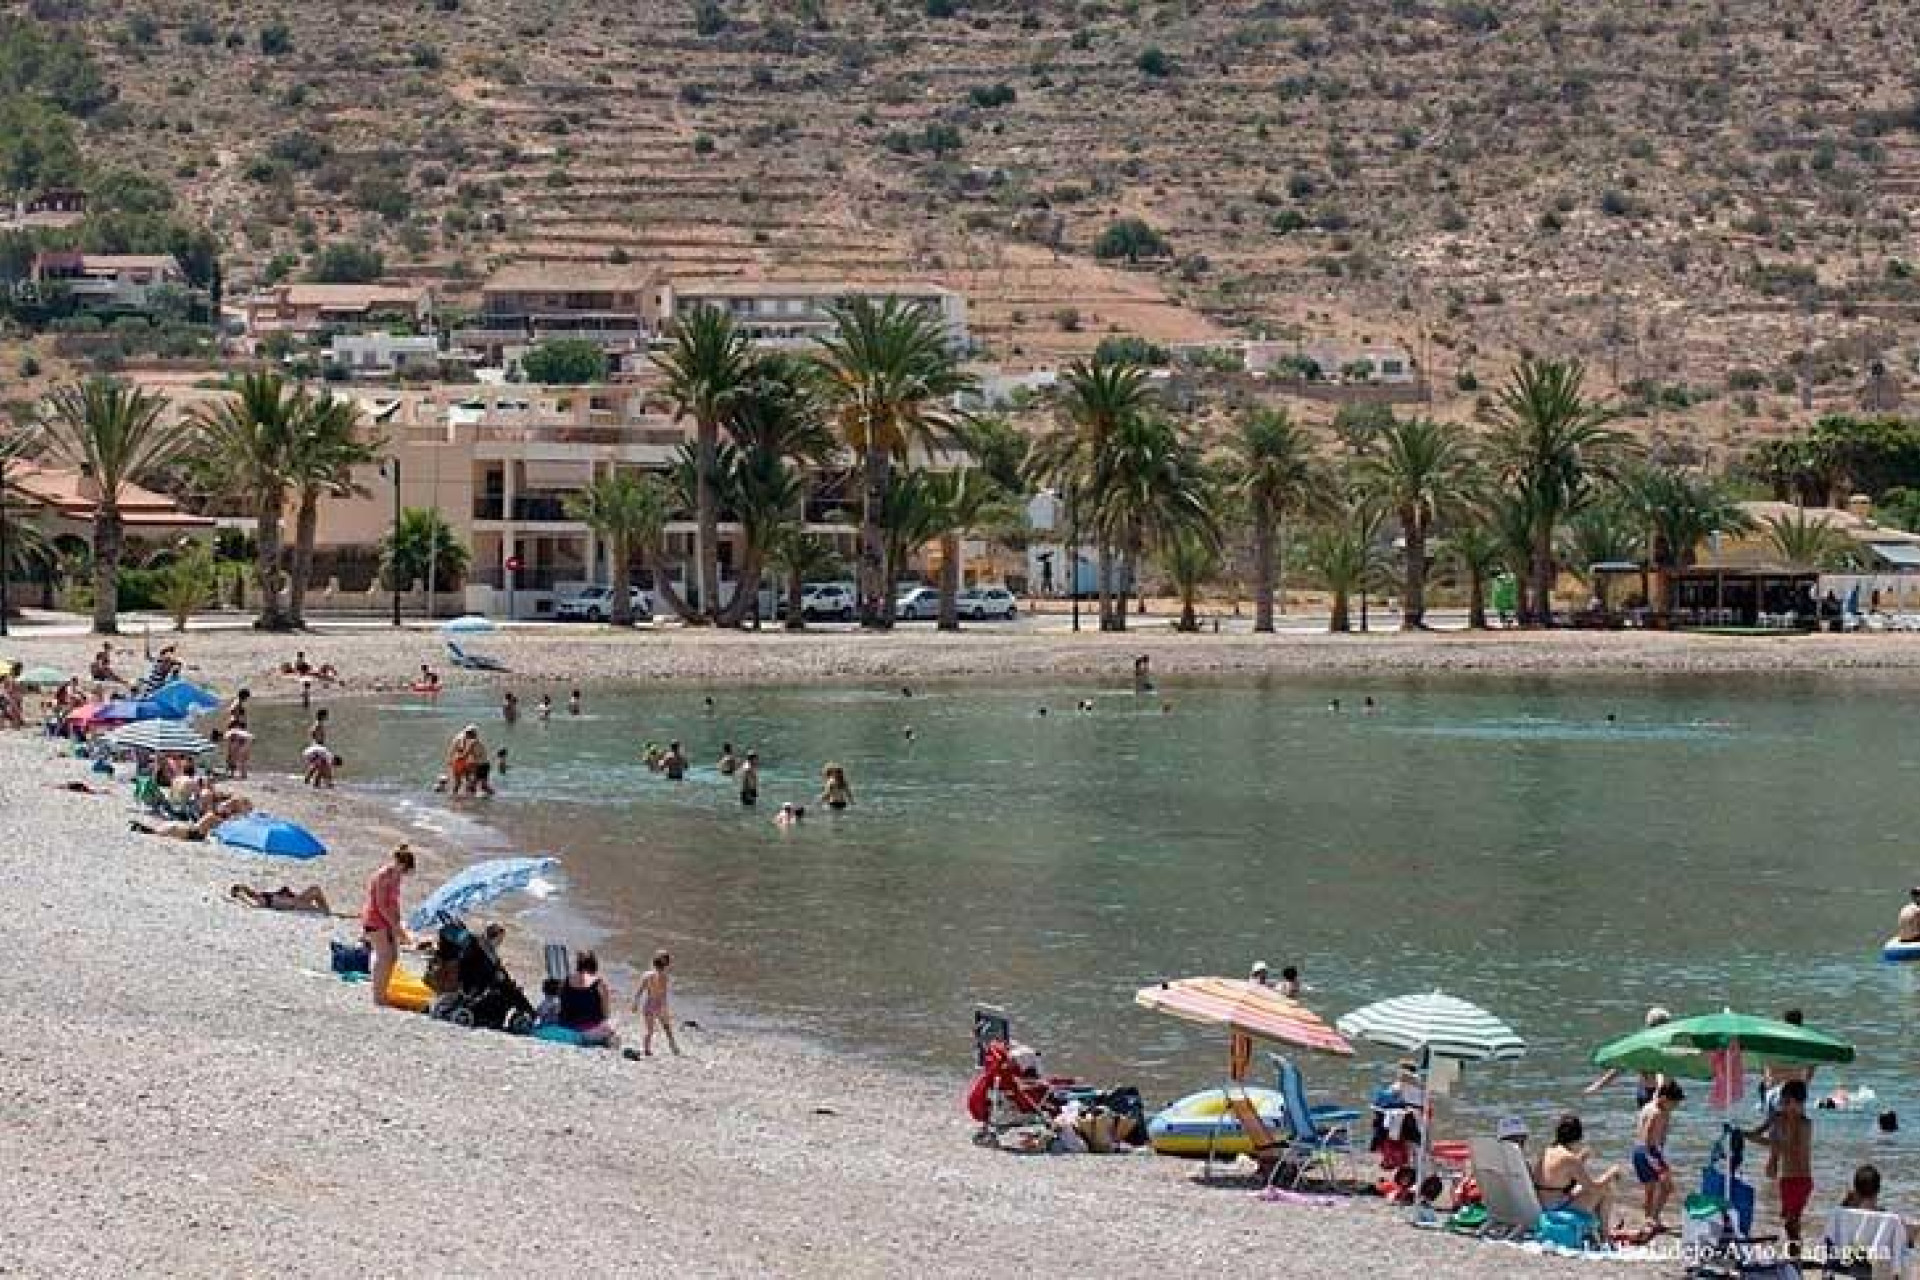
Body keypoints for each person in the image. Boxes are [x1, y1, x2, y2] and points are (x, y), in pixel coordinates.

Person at [1749, 1079, 1814, 1258]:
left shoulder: (1805, 1124)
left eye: (1787, 1102)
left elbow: (1790, 1148)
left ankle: (1795, 1257)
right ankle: (1795, 1255)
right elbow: (1757, 1133)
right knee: (1789, 1222)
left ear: (1799, 1103)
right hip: (1786, 1179)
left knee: (1792, 1221)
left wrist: (1765, 1142)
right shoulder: (1778, 1118)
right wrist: (1744, 1134)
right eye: (1782, 1102)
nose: (1784, 1106)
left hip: (1801, 1180)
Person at [1537, 1114, 1621, 1231]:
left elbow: (1559, 1174)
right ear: (1578, 1136)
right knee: (1606, 1188)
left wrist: (1579, 1159)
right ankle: (1605, 1233)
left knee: (1581, 1187)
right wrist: (1611, 1173)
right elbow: (1593, 1187)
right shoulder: (1569, 1158)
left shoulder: (1547, 1151)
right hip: (1557, 1208)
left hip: (1543, 1203)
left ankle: (1597, 1230)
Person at [361, 844, 415, 1007]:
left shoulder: (396, 877)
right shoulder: (383, 876)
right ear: (400, 864)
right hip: (375, 920)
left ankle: (383, 992)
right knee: (384, 956)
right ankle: (378, 996)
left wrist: (398, 923)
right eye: (404, 870)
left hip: (388, 921)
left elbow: (394, 903)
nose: (404, 873)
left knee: (393, 957)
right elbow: (381, 905)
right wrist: (395, 926)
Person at [1586, 1007, 1672, 1104]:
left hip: (1655, 1091)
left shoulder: (1642, 1043)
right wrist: (1597, 1085)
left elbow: (1621, 1066)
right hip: (1653, 1091)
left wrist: (1597, 1085)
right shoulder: (1652, 1044)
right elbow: (1621, 1066)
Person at [1633, 1081, 1685, 1231]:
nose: (1675, 1106)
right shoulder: (1657, 1112)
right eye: (1674, 1103)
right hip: (1650, 1151)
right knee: (1667, 1187)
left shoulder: (1649, 1105)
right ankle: (1653, 1219)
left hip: (1638, 1150)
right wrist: (1654, 1155)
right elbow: (1648, 1132)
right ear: (1664, 1098)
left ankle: (1648, 1220)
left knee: (1650, 1189)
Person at [556, 950, 616, 1046]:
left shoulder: (565, 981)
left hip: (565, 1024)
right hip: (589, 1027)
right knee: (611, 1026)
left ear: (578, 965)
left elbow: (560, 1004)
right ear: (594, 965)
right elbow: (605, 1013)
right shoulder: (599, 983)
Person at [632, 950, 680, 1056]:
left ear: (653, 962)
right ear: (666, 965)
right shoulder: (664, 977)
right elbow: (663, 994)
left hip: (649, 1005)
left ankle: (647, 1049)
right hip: (659, 1005)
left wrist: (635, 1003)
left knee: (649, 1030)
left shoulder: (646, 975)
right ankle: (673, 1046)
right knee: (666, 1027)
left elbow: (639, 991)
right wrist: (665, 1008)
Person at [229, 883, 332, 914]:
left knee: (315, 889)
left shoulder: (262, 896)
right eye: (242, 889)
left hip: (296, 900)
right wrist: (240, 897)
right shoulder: (262, 900)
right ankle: (328, 912)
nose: (247, 888)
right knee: (316, 891)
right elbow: (251, 905)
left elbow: (249, 892)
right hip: (295, 905)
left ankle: (327, 911)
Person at [224, 689, 253, 779]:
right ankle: (232, 772)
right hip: (236, 728)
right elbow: (232, 711)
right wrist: (238, 719)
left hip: (237, 728)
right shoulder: (237, 702)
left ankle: (233, 772)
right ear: (244, 696)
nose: (247, 699)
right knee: (234, 751)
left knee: (235, 751)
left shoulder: (238, 702)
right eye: (247, 697)